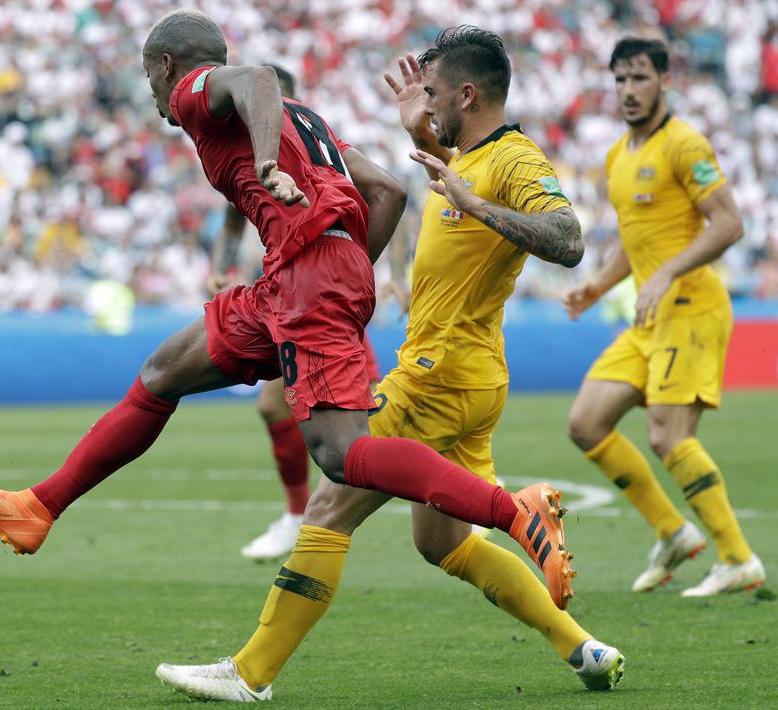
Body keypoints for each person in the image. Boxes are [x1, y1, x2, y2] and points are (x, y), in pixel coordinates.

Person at [0, 11, 575, 630]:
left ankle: (513, 512)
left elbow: (257, 78)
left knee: (342, 455)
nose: (155, 94)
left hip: (308, 277)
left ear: (168, 66)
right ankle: (38, 507)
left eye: (150, 76)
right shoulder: (303, 118)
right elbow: (386, 189)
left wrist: (278, 183)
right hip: (299, 278)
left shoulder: (197, 93)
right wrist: (347, 277)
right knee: (163, 372)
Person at [155, 27, 624, 701]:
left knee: (330, 503)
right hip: (470, 376)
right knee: (444, 545)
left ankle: (250, 674)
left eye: (433, 94)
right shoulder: (466, 156)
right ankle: (583, 649)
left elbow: (568, 239)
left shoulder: (513, 160)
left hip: (440, 374)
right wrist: (424, 137)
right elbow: (447, 195)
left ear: (468, 94)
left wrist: (474, 204)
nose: (425, 103)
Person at [565, 38, 765, 596]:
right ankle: (672, 532)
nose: (629, 90)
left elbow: (729, 224)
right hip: (652, 317)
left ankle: (738, 558)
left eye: (640, 78)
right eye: (621, 80)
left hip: (693, 309)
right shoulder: (617, 156)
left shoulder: (685, 144)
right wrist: (597, 286)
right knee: (586, 422)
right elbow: (636, 241)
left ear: (665, 82)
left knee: (668, 435)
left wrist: (666, 273)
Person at [204, 63, 382, 561]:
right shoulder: (251, 154)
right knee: (285, 410)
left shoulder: (315, 153)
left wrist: (361, 269)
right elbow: (232, 220)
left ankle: (465, 494)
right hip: (291, 297)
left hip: (324, 297)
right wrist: (219, 268)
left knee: (378, 424)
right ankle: (296, 513)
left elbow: (385, 192)